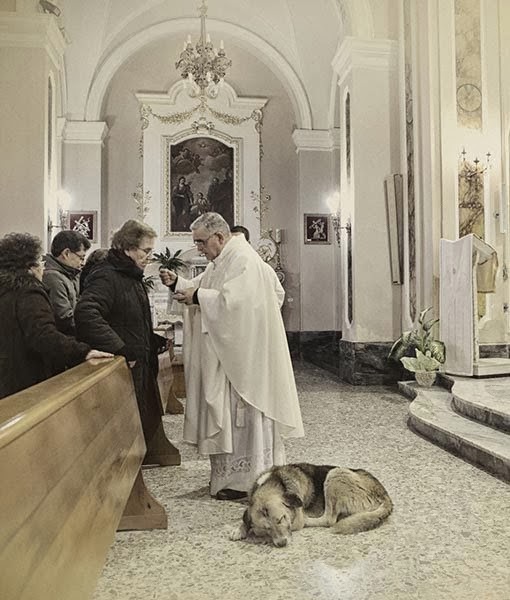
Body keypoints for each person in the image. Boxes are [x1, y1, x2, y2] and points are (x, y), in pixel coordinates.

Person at [160, 213, 303, 500]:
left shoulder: (243, 260)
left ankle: (247, 481)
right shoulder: (222, 260)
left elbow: (235, 303)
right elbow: (201, 287)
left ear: (219, 237)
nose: (198, 248)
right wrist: (178, 283)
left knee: (244, 418)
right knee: (233, 418)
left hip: (244, 361)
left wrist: (199, 298)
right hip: (231, 357)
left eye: (201, 242)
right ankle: (232, 479)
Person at [75, 220, 176, 463]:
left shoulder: (129, 275)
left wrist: (152, 340)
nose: (150, 257)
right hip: (124, 365)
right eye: (146, 251)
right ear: (127, 248)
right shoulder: (108, 276)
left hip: (138, 361)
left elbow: (129, 318)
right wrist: (121, 348)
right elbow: (86, 312)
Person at [0, 232, 111, 400]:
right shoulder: (29, 293)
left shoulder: (6, 290)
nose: (43, 266)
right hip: (23, 375)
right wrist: (82, 351)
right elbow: (43, 335)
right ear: (29, 266)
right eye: (39, 261)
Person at [43, 230, 91, 335]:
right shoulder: (52, 277)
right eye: (81, 258)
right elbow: (64, 318)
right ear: (66, 253)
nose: (82, 263)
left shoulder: (69, 274)